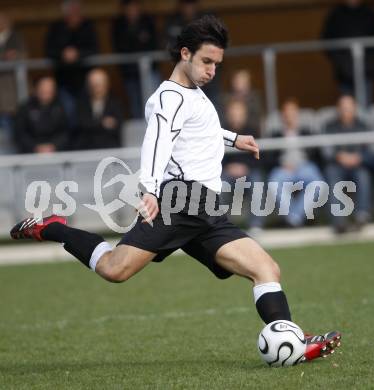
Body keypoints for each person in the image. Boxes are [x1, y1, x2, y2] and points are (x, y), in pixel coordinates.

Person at [10, 15, 340, 361]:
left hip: (207, 210)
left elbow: (201, 133)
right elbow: (156, 143)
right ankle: (53, 228)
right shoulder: (167, 97)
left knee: (266, 269)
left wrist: (235, 138)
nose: (212, 70)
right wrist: (150, 189)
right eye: (206, 61)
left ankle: (293, 341)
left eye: (217, 63)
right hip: (180, 203)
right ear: (185, 53)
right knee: (114, 269)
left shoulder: (195, 95)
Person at [267, 98, 324, 228]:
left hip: (305, 167)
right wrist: (282, 164)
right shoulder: (275, 134)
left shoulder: (307, 132)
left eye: (292, 112)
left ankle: (293, 218)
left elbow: (316, 153)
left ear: (297, 114)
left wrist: (302, 164)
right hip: (283, 168)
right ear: (282, 116)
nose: (289, 116)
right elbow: (268, 157)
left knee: (318, 184)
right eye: (286, 113)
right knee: (273, 184)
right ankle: (296, 218)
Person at [323, 95, 372, 233]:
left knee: (363, 175)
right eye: (343, 108)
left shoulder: (363, 126)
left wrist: (359, 157)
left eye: (349, 108)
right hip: (337, 164)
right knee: (332, 175)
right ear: (338, 109)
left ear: (355, 109)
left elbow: (370, 151)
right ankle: (339, 221)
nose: (346, 111)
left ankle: (361, 216)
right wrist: (339, 156)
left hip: (358, 164)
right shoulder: (330, 126)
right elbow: (325, 150)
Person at [45, 0, 98, 122]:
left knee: (86, 111)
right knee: (68, 113)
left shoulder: (88, 26)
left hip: (85, 78)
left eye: (77, 10)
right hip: (63, 80)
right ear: (66, 13)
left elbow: (94, 49)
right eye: (72, 10)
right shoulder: (56, 27)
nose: (75, 13)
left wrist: (78, 54)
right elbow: (49, 50)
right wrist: (63, 54)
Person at [321, 0, 374, 105]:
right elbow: (326, 40)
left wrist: (369, 61)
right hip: (344, 73)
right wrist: (340, 62)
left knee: (365, 109)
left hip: (366, 71)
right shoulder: (335, 14)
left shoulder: (369, 13)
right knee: (347, 107)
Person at [111, 0, 159, 119]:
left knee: (154, 104)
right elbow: (120, 47)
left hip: (149, 70)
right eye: (129, 8)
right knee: (135, 106)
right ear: (124, 9)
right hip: (129, 73)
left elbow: (153, 44)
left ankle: (157, 130)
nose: (132, 11)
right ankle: (142, 135)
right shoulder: (118, 24)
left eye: (134, 7)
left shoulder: (148, 21)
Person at [221, 98, 264, 232]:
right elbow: (215, 156)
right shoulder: (221, 131)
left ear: (245, 114)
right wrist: (228, 167)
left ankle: (256, 224)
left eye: (239, 112)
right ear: (228, 113)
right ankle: (220, 224)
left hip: (249, 171)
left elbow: (261, 156)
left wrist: (245, 167)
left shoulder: (254, 130)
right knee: (217, 185)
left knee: (257, 182)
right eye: (233, 112)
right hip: (226, 171)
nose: (236, 115)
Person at [14, 76, 69, 154]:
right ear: (36, 89)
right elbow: (20, 133)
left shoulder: (60, 107)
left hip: (56, 151)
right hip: (30, 153)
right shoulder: (25, 108)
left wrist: (54, 146)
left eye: (49, 91)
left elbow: (64, 132)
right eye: (43, 90)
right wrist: (35, 147)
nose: (46, 93)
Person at [73, 68, 124, 150]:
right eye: (94, 85)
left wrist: (93, 124)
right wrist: (102, 123)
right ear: (88, 86)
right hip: (87, 148)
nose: (97, 89)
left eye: (99, 85)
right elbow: (81, 124)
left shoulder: (115, 103)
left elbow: (117, 126)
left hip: (110, 149)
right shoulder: (82, 104)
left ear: (106, 85)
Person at [0, 12, 26, 154]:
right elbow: (8, 56)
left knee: (13, 132)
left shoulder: (16, 38)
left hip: (12, 96)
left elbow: (20, 56)